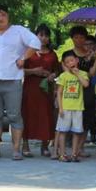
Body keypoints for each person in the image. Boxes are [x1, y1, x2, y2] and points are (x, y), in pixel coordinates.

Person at [0, 4, 40, 160]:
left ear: (8, 16)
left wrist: (23, 58)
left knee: (14, 115)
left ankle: (16, 150)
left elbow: (35, 42)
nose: (0, 18)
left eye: (3, 15)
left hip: (13, 79)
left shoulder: (18, 31)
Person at [22, 24, 60, 157]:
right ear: (35, 36)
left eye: (46, 35)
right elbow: (19, 69)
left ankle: (45, 146)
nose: (43, 38)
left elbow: (57, 70)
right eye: (41, 35)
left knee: (46, 116)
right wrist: (33, 71)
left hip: (46, 89)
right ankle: (25, 145)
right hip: (30, 87)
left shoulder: (52, 54)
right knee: (27, 115)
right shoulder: (28, 52)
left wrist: (52, 76)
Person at [65, 26, 96, 156]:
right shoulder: (67, 54)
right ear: (72, 38)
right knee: (72, 119)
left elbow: (92, 74)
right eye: (76, 37)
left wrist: (95, 60)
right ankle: (72, 148)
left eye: (82, 37)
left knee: (87, 119)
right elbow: (67, 72)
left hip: (87, 89)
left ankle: (80, 148)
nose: (79, 40)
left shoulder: (91, 55)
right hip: (72, 90)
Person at [55, 51, 90, 162]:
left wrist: (77, 74)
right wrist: (60, 108)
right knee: (63, 131)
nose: (70, 63)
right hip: (65, 108)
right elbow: (59, 93)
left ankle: (74, 154)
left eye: (72, 60)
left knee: (77, 132)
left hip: (78, 108)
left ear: (77, 60)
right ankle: (62, 154)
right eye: (67, 62)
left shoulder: (83, 74)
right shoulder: (63, 76)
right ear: (65, 65)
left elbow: (86, 84)